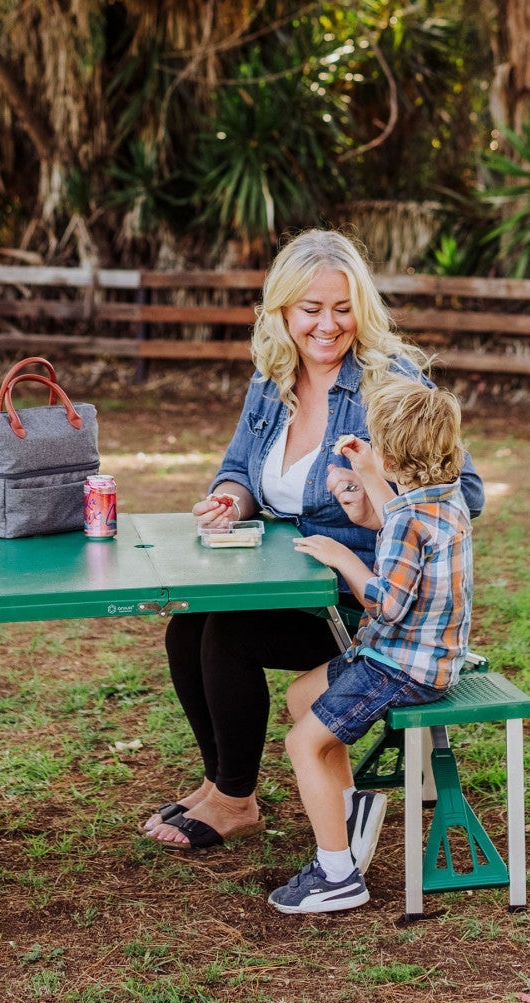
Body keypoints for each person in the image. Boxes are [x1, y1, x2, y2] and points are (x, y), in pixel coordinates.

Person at [142, 229, 485, 854]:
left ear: (364, 306)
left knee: (230, 633)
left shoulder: (391, 384)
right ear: (282, 311)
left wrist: (376, 500)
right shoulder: (272, 375)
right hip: (284, 578)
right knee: (187, 625)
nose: (328, 326)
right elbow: (241, 469)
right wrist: (230, 501)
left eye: (342, 307)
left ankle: (236, 800)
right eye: (311, 309)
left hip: (367, 603)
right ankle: (222, 781)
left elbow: (465, 491)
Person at [267, 377, 472, 913]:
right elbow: (397, 515)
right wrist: (368, 474)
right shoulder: (442, 499)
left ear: (392, 454)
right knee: (300, 697)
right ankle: (349, 817)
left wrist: (344, 558)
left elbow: (386, 603)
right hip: (416, 657)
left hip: (402, 666)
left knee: (301, 743)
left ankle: (337, 876)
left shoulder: (407, 520)